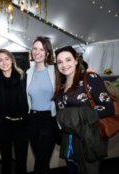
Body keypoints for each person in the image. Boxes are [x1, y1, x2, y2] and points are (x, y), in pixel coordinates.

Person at [53, 46, 114, 174]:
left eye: (68, 60)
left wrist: (73, 115)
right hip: (69, 141)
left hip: (88, 139)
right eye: (60, 62)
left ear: (76, 60)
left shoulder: (89, 78)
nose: (64, 65)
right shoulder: (61, 86)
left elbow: (108, 108)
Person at [0, 49, 29, 174]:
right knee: (6, 162)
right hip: (4, 126)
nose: (4, 62)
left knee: (21, 161)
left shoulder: (23, 77)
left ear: (12, 60)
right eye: (0, 60)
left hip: (22, 125)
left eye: (7, 59)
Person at [26, 36, 59, 174]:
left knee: (41, 161)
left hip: (48, 120)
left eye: (42, 49)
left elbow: (72, 77)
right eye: (35, 48)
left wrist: (86, 73)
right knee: (42, 161)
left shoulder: (55, 70)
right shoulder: (28, 72)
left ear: (48, 52)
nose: (37, 52)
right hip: (32, 120)